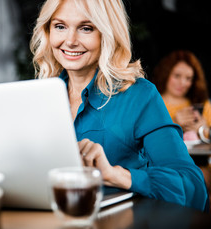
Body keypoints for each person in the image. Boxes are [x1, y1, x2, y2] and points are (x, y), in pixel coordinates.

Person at [30, 0, 208, 211]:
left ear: (107, 33)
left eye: (86, 28)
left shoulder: (139, 96)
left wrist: (115, 175)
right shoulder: (38, 98)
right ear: (48, 32)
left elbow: (194, 188)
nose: (70, 41)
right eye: (60, 26)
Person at [153, 50, 211, 143]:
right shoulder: (152, 104)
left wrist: (203, 130)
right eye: (177, 76)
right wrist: (173, 123)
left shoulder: (202, 104)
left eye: (188, 78)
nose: (182, 83)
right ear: (165, 74)